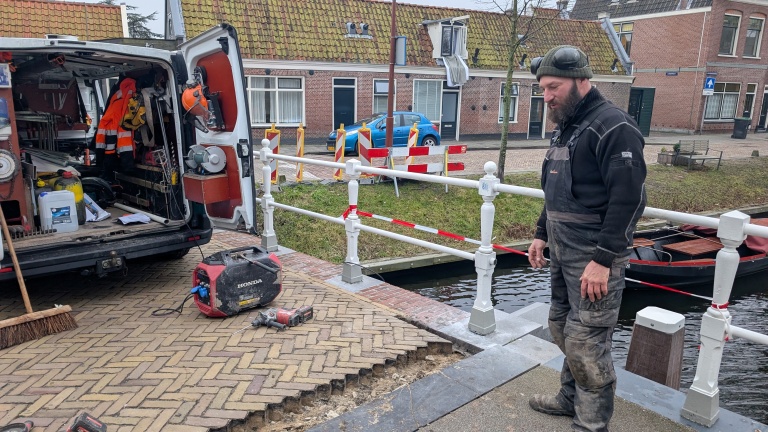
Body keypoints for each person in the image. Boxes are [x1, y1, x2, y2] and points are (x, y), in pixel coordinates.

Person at [526, 45, 647, 432]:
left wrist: (604, 259)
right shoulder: (570, 124)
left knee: (587, 343)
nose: (546, 97)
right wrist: (541, 234)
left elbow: (630, 199)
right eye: (543, 88)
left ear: (581, 80)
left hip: (595, 257)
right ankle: (569, 398)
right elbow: (555, 190)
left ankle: (592, 424)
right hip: (562, 251)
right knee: (561, 326)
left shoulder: (615, 127)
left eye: (553, 87)